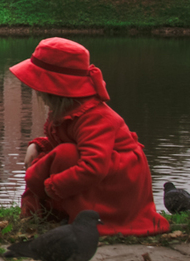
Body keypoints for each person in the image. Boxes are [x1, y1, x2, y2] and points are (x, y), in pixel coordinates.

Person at [10, 37, 169, 236]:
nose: (38, 93)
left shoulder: (95, 117)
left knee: (65, 155)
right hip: (101, 170)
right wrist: (37, 146)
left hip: (119, 180)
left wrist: (51, 186)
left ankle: (86, 218)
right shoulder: (68, 110)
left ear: (54, 90)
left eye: (40, 88)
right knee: (59, 154)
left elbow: (93, 167)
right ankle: (61, 212)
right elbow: (60, 140)